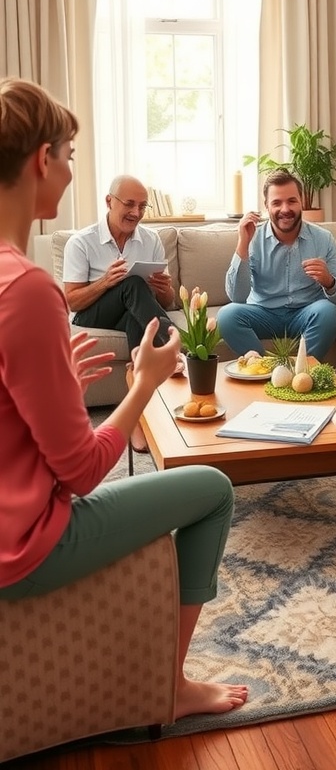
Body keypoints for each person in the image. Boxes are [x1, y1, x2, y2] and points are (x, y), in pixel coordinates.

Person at [0, 77, 248, 719]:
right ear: (40, 161)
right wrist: (139, 387)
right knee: (214, 491)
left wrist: (61, 389)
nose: (69, 167)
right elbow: (80, 473)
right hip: (22, 544)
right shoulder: (28, 289)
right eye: (69, 154)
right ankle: (170, 685)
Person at [218, 168, 336, 359]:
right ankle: (264, 370)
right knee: (227, 316)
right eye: (276, 203)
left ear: (301, 202)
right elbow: (237, 297)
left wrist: (329, 281)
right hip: (262, 313)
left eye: (291, 201)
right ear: (266, 206)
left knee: (329, 312)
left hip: (306, 313)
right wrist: (243, 244)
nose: (285, 209)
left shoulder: (323, 239)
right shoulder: (252, 239)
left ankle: (303, 373)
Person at [63, 173, 178, 354]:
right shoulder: (81, 242)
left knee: (137, 320)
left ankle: (141, 376)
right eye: (129, 204)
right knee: (132, 283)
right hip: (90, 316)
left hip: (130, 312)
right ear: (109, 201)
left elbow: (168, 301)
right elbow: (71, 302)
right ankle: (174, 349)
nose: (136, 212)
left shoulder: (151, 240)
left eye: (142, 206)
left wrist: (164, 288)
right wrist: (105, 282)